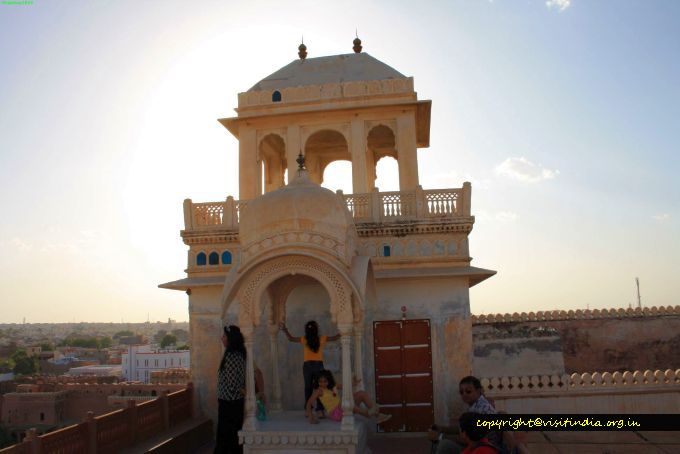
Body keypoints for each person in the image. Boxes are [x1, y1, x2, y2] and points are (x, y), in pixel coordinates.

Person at [428, 376, 499, 454]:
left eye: (468, 391)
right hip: (475, 444)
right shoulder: (474, 406)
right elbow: (462, 429)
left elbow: (468, 439)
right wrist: (441, 429)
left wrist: (440, 437)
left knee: (444, 445)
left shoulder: (481, 409)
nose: (464, 394)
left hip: (484, 447)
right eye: (461, 392)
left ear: (479, 391)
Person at [280, 320, 339, 410]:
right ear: (316, 330)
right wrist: (344, 329)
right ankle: (320, 409)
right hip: (318, 365)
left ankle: (308, 409)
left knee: (308, 387)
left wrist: (285, 330)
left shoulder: (304, 339)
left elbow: (291, 338)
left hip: (307, 366)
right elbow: (335, 338)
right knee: (320, 387)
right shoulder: (321, 338)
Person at [305, 369, 392, 424]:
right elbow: (309, 403)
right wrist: (311, 417)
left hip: (342, 408)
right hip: (335, 413)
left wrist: (354, 382)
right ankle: (368, 414)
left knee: (361, 393)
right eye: (320, 381)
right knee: (347, 402)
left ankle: (377, 415)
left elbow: (346, 386)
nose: (323, 383)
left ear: (329, 380)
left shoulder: (333, 386)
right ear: (317, 382)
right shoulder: (319, 391)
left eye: (325, 381)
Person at [215, 325, 246, 454]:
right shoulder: (236, 354)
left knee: (227, 437)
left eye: (224, 336)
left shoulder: (232, 356)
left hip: (230, 403)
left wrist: (244, 392)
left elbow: (233, 384)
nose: (222, 338)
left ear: (230, 339)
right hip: (232, 403)